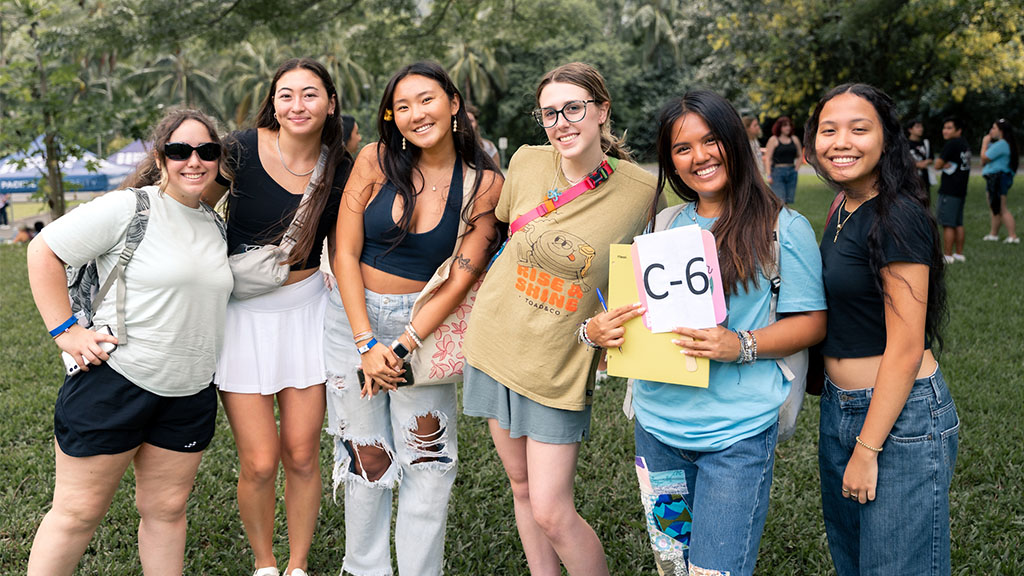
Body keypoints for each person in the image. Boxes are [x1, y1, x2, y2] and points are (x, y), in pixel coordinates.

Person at [462, 62, 657, 576]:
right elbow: (503, 228)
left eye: (574, 108)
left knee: (552, 509)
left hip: (559, 360)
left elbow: (672, 254)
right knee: (521, 489)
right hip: (495, 343)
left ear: (602, 111)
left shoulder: (641, 191)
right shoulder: (527, 161)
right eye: (550, 113)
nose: (562, 122)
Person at [25, 109, 232, 576]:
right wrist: (66, 331)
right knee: (78, 515)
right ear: (160, 157)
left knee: (167, 512)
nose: (193, 161)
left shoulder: (214, 223)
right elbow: (44, 250)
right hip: (116, 383)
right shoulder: (131, 207)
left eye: (207, 151)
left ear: (219, 158)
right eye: (180, 151)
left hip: (190, 393)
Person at [630, 91, 826, 576]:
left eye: (711, 139)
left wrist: (740, 345)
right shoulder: (663, 225)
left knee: (714, 571)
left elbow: (812, 322)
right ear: (671, 161)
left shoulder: (784, 227)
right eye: (682, 148)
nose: (699, 157)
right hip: (657, 431)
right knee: (674, 565)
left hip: (734, 439)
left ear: (734, 141)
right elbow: (642, 316)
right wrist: (609, 329)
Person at [326, 60, 502, 576]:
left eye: (426, 100)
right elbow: (345, 249)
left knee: (427, 460)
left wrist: (400, 346)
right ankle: (364, 570)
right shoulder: (375, 160)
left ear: (453, 103)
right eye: (401, 106)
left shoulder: (484, 184)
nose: (414, 114)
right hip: (350, 318)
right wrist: (366, 343)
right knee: (366, 456)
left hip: (426, 327)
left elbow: (462, 277)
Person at [202, 58, 353, 576]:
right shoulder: (240, 149)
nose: (297, 105)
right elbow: (193, 206)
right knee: (261, 460)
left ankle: (297, 565)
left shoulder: (342, 168)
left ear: (330, 103)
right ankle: (265, 564)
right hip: (243, 317)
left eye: (310, 94)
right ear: (273, 101)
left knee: (303, 455)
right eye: (286, 94)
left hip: (307, 312)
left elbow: (351, 245)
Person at [807, 83, 957, 576]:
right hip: (840, 408)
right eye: (829, 130)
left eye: (858, 128)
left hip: (901, 417)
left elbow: (907, 347)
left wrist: (868, 448)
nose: (840, 142)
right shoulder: (841, 206)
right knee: (853, 562)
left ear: (886, 140)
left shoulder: (899, 218)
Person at [934, 116, 971, 263]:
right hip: (961, 189)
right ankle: (959, 253)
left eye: (949, 128)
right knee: (958, 222)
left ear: (958, 130)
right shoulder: (965, 144)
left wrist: (942, 164)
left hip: (949, 190)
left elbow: (937, 164)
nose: (945, 131)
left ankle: (947, 255)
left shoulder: (951, 144)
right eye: (944, 127)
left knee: (948, 223)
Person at [980, 118, 1019, 243]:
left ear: (1001, 131)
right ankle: (993, 234)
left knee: (1001, 208)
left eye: (994, 128)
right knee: (994, 206)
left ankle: (1013, 236)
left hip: (998, 178)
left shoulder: (1002, 144)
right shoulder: (1001, 144)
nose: (991, 131)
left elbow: (984, 157)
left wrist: (984, 143)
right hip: (994, 178)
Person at [764, 115, 802, 204]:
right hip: (777, 172)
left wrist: (796, 169)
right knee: (780, 200)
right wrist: (769, 175)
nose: (788, 128)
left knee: (788, 201)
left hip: (791, 172)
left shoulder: (794, 139)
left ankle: (785, 218)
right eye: (785, 125)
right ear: (779, 127)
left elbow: (800, 155)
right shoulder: (773, 140)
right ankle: (777, 217)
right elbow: (768, 158)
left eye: (789, 125)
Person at [906, 120, 933, 195]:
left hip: (924, 179)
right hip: (910, 179)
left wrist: (925, 163)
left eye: (921, 126)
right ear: (910, 129)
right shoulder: (905, 144)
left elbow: (931, 158)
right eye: (917, 127)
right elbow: (901, 161)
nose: (921, 129)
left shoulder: (926, 143)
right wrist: (917, 164)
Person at [742, 114, 768, 180]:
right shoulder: (744, 144)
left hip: (760, 176)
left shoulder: (755, 141)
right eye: (755, 125)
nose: (758, 127)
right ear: (747, 128)